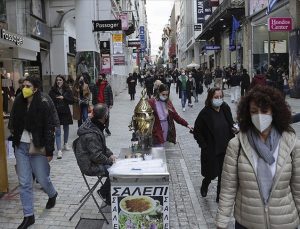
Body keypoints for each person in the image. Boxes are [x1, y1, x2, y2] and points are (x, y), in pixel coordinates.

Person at [215, 85, 300, 229]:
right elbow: (228, 188)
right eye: (254, 111)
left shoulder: (292, 144)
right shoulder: (237, 145)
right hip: (247, 222)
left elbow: (298, 188)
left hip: (284, 222)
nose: (260, 116)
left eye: (265, 111)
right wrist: (221, 222)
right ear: (247, 114)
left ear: (274, 112)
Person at [8, 75, 58, 229]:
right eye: (24, 85)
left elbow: (50, 127)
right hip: (21, 147)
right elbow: (12, 122)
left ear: (35, 88)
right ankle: (28, 216)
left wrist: (49, 151)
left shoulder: (44, 101)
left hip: (38, 147)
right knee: (24, 183)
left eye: (28, 86)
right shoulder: (18, 100)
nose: (25, 88)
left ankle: (52, 194)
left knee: (42, 178)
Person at [193, 87, 235, 202]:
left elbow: (231, 123)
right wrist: (203, 145)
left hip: (226, 147)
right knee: (211, 173)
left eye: (221, 97)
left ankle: (219, 196)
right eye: (216, 97)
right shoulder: (205, 113)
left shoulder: (225, 108)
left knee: (223, 174)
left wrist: (234, 129)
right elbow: (197, 131)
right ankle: (205, 183)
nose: (219, 99)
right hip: (211, 149)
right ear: (210, 98)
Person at [73, 104, 117, 205]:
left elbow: (101, 147)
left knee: (115, 166)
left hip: (92, 160)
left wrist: (110, 155)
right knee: (115, 172)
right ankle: (103, 192)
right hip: (89, 165)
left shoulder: (94, 124)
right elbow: (96, 156)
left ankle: (108, 196)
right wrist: (110, 161)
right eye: (108, 115)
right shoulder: (91, 134)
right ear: (104, 117)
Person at [49, 75, 74, 159]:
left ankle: (65, 143)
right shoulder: (52, 91)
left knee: (66, 128)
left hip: (65, 112)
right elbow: (50, 101)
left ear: (63, 81)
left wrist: (64, 97)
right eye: (57, 80)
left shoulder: (67, 90)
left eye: (60, 80)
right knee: (58, 131)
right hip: (56, 113)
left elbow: (72, 101)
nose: (58, 81)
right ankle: (59, 149)